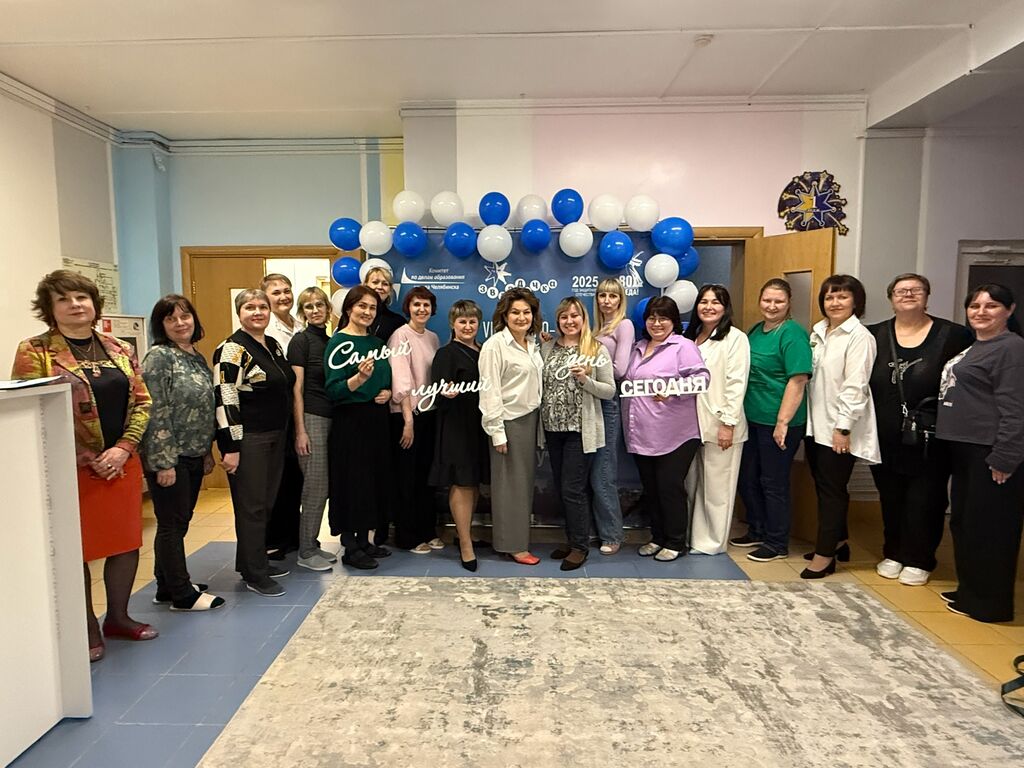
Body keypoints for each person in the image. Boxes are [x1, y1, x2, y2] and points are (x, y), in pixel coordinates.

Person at [13, 270, 154, 662]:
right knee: (77, 550)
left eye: (81, 297)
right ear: (50, 308)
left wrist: (123, 448)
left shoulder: (117, 348)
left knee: (125, 544)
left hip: (121, 463)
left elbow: (143, 402)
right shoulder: (35, 351)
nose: (75, 305)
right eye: (63, 299)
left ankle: (119, 617)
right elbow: (33, 410)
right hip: (69, 469)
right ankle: (86, 625)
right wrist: (87, 457)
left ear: (94, 304)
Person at [866, 273, 972, 586]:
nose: (908, 294)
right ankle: (894, 552)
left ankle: (920, 558)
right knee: (891, 496)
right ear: (891, 298)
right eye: (901, 290)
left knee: (926, 499)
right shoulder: (874, 334)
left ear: (927, 296)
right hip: (884, 434)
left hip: (931, 437)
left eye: (916, 290)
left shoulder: (953, 335)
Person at [936, 284, 1024, 622]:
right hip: (965, 448)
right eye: (975, 306)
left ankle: (990, 604)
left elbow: (1016, 409)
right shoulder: (977, 345)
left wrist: (1005, 456)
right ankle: (970, 590)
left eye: (991, 306)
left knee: (991, 529)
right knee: (966, 523)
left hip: (991, 451)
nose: (981, 312)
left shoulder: (1012, 348)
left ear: (1009, 310)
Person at [140, 295, 224, 611]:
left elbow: (203, 407)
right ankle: (181, 594)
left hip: (192, 453)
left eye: (185, 316)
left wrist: (206, 451)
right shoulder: (159, 357)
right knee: (172, 524)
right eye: (171, 318)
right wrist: (164, 462)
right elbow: (156, 411)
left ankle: (166, 585)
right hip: (170, 458)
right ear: (160, 325)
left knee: (179, 521)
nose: (180, 323)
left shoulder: (194, 356)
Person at [212, 289, 295, 597]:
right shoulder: (232, 349)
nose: (258, 312)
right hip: (249, 439)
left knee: (265, 503)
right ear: (239, 313)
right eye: (250, 307)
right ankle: (255, 574)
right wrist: (230, 447)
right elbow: (225, 397)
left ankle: (253, 561)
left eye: (262, 306)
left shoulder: (271, 345)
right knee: (252, 507)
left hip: (275, 435)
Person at [801, 275, 880, 579]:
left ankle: (824, 556)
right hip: (815, 425)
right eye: (829, 297)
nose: (835, 302)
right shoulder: (819, 332)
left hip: (838, 429)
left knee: (832, 491)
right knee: (824, 487)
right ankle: (839, 541)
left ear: (856, 301)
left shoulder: (859, 337)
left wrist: (843, 428)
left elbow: (855, 386)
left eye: (842, 297)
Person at [621, 296, 709, 561]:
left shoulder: (683, 346)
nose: (657, 323)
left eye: (663, 318)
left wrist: (674, 389)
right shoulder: (637, 348)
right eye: (652, 318)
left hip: (675, 434)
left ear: (674, 322)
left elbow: (702, 378)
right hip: (641, 433)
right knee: (652, 489)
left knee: (670, 487)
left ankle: (675, 541)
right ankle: (657, 537)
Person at [731, 278, 812, 562]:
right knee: (747, 477)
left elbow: (798, 380)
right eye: (767, 300)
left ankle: (777, 543)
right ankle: (757, 529)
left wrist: (782, 422)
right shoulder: (756, 330)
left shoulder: (792, 334)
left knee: (773, 482)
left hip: (780, 422)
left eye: (779, 301)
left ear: (789, 303)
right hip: (752, 418)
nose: (772, 306)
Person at [541, 297, 615, 570]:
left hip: (579, 431)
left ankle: (580, 547)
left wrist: (586, 380)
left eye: (575, 316)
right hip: (552, 429)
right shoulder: (547, 347)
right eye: (564, 317)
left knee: (573, 489)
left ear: (584, 319)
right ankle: (572, 539)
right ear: (557, 320)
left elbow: (609, 390)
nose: (569, 321)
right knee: (562, 489)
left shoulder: (596, 349)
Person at [324, 285, 394, 570]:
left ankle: (365, 540)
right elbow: (334, 389)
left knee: (372, 481)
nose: (367, 312)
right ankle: (350, 546)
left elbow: (386, 378)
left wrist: (388, 392)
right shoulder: (338, 343)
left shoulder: (377, 343)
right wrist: (358, 380)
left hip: (376, 419)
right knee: (351, 483)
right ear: (349, 308)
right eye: (362, 306)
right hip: (350, 420)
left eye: (372, 307)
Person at [479, 287, 544, 565]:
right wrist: (497, 432)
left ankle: (517, 539)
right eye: (515, 312)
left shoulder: (532, 343)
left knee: (522, 486)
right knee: (509, 487)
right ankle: (513, 545)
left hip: (531, 421)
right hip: (508, 422)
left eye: (526, 312)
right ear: (504, 316)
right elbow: (489, 390)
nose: (521, 317)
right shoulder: (495, 345)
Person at [682, 284, 750, 555]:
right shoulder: (691, 337)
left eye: (715, 302)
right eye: (704, 301)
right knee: (694, 485)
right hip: (690, 425)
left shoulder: (735, 339)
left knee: (717, 489)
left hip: (721, 424)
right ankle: (694, 536)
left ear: (725, 307)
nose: (708, 307)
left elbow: (736, 383)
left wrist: (728, 424)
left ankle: (712, 542)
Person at [429, 300, 491, 571]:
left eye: (472, 321)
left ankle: (465, 533)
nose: (467, 326)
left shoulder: (485, 350)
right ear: (452, 324)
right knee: (462, 482)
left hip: (480, 424)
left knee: (473, 481)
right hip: (456, 425)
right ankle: (465, 545)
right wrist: (445, 391)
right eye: (462, 321)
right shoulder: (446, 354)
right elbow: (436, 390)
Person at [287, 286, 338, 572]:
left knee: (325, 486)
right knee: (315, 487)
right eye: (308, 306)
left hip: (333, 418)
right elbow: (296, 389)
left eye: (320, 305)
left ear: (328, 309)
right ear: (302, 312)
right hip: (311, 417)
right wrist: (301, 430)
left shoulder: (331, 342)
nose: (315, 310)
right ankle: (305, 551)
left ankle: (313, 543)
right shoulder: (301, 341)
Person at [388, 286, 442, 552]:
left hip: (429, 416)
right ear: (408, 307)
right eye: (416, 304)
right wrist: (408, 422)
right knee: (407, 479)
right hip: (407, 416)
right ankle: (407, 537)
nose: (421, 309)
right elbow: (402, 380)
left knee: (426, 478)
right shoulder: (400, 335)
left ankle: (427, 530)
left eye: (426, 305)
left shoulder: (433, 338)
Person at [261, 273, 302, 560]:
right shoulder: (265, 330)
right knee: (276, 479)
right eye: (276, 293)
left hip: (297, 410)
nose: (284, 296)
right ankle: (273, 540)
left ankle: (292, 536)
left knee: (294, 477)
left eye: (286, 290)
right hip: (275, 414)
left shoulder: (299, 325)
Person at [591, 278, 634, 554]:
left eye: (613, 296)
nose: (607, 301)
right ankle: (597, 530)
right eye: (602, 295)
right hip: (591, 399)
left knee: (603, 472)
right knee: (591, 471)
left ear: (620, 300)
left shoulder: (624, 325)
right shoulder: (596, 329)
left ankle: (612, 535)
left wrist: (591, 369)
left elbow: (620, 369)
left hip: (609, 401)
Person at [364, 265, 406, 343]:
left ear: (390, 290)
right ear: (365, 285)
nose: (380, 287)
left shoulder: (398, 322)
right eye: (375, 282)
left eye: (385, 284)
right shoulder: (352, 315)